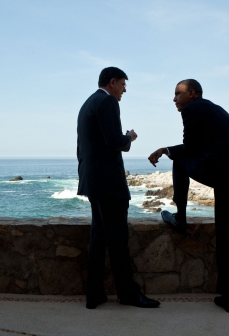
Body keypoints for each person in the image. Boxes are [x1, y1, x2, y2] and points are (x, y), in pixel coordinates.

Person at [148, 79, 229, 313]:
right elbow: (200, 147)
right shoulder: (210, 108)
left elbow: (190, 149)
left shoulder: (192, 109)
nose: (174, 99)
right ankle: (228, 297)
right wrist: (167, 150)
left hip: (228, 178)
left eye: (178, 94)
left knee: (227, 234)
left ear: (193, 94)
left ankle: (181, 217)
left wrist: (166, 151)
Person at [77, 67, 160, 309]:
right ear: (112, 82)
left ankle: (94, 294)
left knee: (99, 238)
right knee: (117, 240)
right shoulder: (108, 102)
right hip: (109, 184)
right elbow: (115, 142)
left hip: (93, 181)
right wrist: (130, 138)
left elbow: (86, 146)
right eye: (123, 84)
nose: (125, 90)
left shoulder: (88, 103)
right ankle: (129, 295)